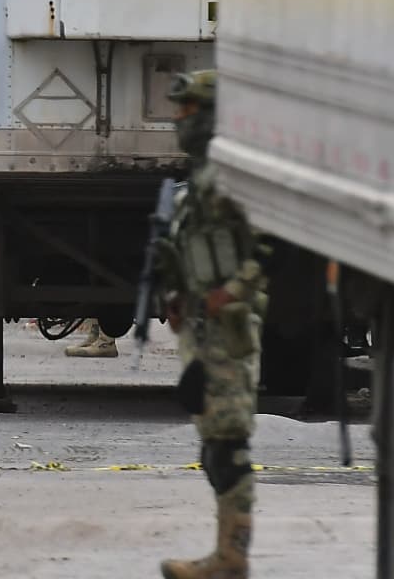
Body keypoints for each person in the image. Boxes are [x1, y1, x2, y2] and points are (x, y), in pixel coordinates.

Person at [158, 71, 266, 579]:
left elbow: (266, 247)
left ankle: (232, 557)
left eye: (190, 111)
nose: (181, 122)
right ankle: (225, 553)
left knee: (228, 445)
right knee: (212, 444)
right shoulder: (197, 182)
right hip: (201, 328)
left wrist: (234, 292)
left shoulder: (231, 179)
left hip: (230, 327)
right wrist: (178, 298)